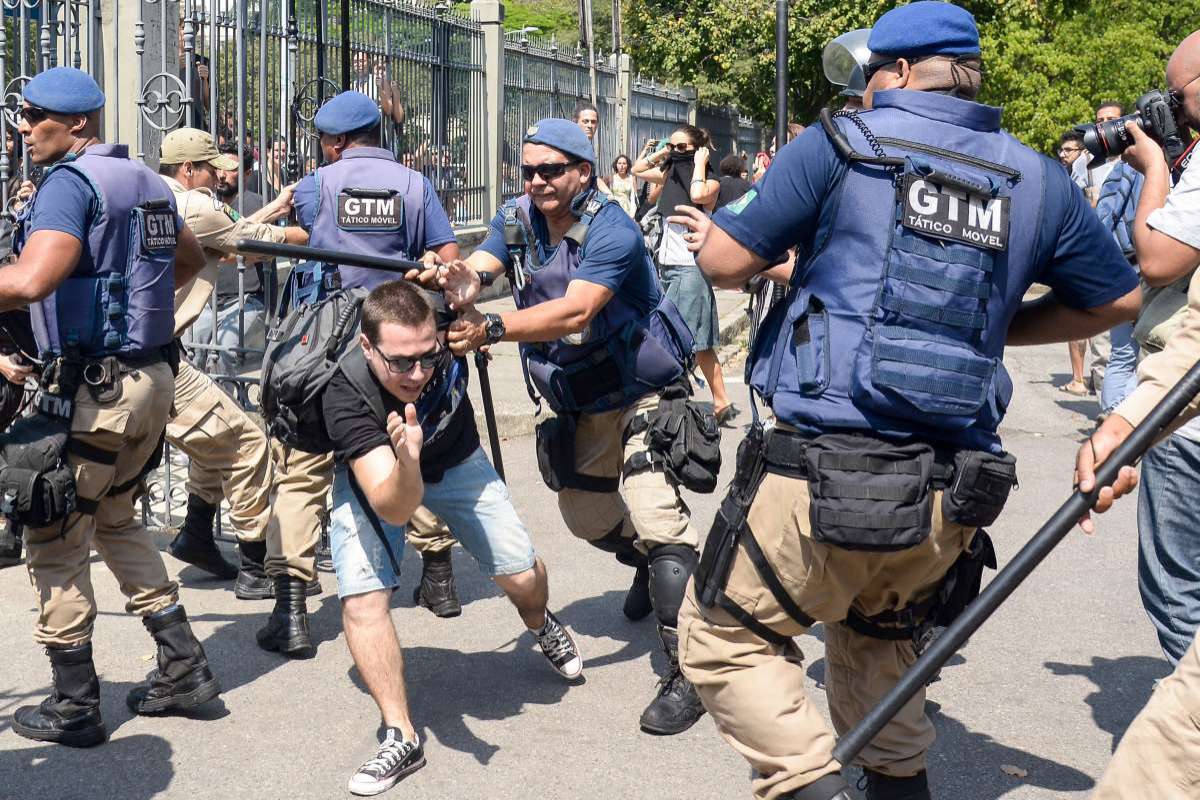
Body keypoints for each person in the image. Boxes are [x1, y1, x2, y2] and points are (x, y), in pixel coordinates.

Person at [668, 4, 1140, 797]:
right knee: (880, 650)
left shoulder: (840, 147)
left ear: (892, 71)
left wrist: (710, 229)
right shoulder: (1038, 176)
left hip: (819, 475)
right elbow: (1118, 301)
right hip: (948, 492)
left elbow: (725, 264)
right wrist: (995, 331)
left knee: (724, 641)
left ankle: (809, 783)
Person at [442, 117, 707, 735]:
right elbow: (487, 261)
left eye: (551, 170)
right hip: (583, 400)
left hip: (643, 390)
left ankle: (686, 669)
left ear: (583, 171)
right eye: (529, 170)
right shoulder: (519, 214)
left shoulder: (610, 227)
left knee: (657, 514)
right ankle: (650, 563)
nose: (537, 181)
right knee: (585, 517)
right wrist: (465, 282)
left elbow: (578, 307)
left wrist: (493, 328)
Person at [5, 67, 217, 747]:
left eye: (36, 116)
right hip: (150, 379)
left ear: (78, 125)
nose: (23, 127)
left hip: (95, 393)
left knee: (56, 536)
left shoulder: (70, 183)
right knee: (120, 521)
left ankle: (74, 706)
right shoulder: (147, 180)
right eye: (22, 114)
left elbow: (35, 278)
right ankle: (184, 665)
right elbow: (186, 260)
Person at [323, 280, 582, 794]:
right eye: (399, 362)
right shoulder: (344, 390)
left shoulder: (443, 323)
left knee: (523, 576)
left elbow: (464, 271)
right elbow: (393, 505)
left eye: (426, 356)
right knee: (361, 597)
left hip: (460, 460)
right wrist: (407, 459)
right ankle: (401, 735)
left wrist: (464, 282)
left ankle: (539, 621)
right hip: (387, 476)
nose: (416, 374)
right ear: (367, 346)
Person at [258, 90, 461, 659]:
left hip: (327, 342)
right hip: (396, 344)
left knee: (301, 466)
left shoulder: (317, 185)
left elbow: (283, 225)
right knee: (404, 449)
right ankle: (440, 577)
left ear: (335, 141)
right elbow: (446, 259)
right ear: (380, 131)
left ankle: (291, 611)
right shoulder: (416, 185)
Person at [1075, 33, 1200, 797]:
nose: (1176, 109)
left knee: (1177, 587)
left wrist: (1155, 167)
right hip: (1172, 391)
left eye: (1180, 94)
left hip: (1186, 420)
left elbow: (1157, 261)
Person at [155, 127, 311, 601]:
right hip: (155, 358)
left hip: (138, 351)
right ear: (189, 171)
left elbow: (229, 233)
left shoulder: (154, 196)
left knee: (218, 434)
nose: (220, 174)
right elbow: (260, 244)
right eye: (210, 167)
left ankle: (197, 533)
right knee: (247, 445)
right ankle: (254, 565)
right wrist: (323, 227)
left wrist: (274, 206)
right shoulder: (196, 206)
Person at [632, 124, 736, 426]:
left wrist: (701, 163)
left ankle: (695, 402)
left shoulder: (711, 182)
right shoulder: (670, 172)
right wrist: (661, 152)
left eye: (682, 148)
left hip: (691, 268)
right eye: (672, 145)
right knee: (680, 338)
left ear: (697, 148)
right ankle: (718, 400)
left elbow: (696, 193)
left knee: (691, 340)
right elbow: (639, 169)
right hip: (666, 265)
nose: (676, 152)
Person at [573, 102, 611, 195]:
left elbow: (592, 178)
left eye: (593, 122)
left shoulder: (588, 148)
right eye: (585, 121)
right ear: (575, 122)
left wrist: (610, 195)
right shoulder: (569, 147)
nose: (590, 125)